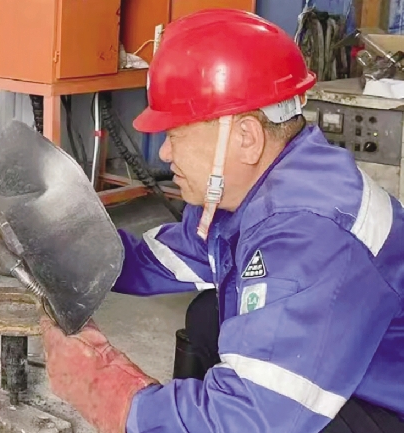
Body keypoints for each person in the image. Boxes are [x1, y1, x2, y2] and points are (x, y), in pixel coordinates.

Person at [39, 9, 404, 433]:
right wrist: (60, 251)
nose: (164, 154)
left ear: (246, 137)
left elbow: (249, 419)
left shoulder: (308, 235)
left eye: (175, 135)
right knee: (208, 318)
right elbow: (170, 258)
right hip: (350, 357)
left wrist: (111, 392)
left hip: (385, 404)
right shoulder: (253, 185)